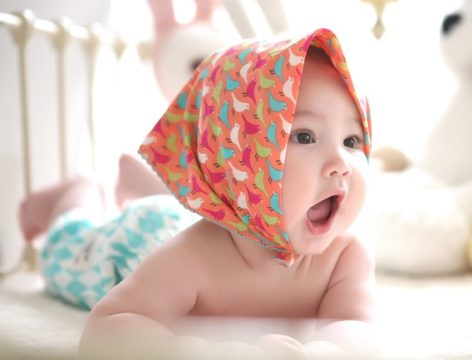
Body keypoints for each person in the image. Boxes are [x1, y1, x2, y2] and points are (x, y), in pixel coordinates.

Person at [19, 28, 375, 358]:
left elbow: (356, 326)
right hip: (138, 237)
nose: (341, 162)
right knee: (66, 245)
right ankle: (77, 194)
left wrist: (323, 352)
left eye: (351, 140)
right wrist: (203, 351)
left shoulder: (345, 256)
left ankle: (145, 185)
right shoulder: (194, 257)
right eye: (304, 136)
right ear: (240, 157)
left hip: (204, 212)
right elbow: (105, 327)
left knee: (177, 207)